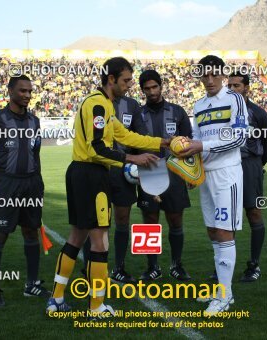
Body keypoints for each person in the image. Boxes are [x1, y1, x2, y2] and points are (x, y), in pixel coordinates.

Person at [46, 57, 170, 317]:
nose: (129, 86)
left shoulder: (103, 105)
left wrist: (162, 142)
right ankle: (96, 306)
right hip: (91, 175)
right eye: (125, 80)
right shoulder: (98, 105)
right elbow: (97, 148)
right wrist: (132, 157)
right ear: (111, 79)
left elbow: (125, 136)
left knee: (76, 237)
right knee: (100, 242)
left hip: (81, 174)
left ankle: (56, 299)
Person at [178, 55, 247, 314]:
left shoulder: (234, 99)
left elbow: (239, 138)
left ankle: (226, 296)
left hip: (227, 174)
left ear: (223, 75)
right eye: (203, 75)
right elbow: (197, 137)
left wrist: (201, 146)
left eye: (213, 75)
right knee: (212, 231)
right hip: (205, 175)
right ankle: (221, 290)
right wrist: (192, 170)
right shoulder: (198, 105)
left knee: (224, 232)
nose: (208, 80)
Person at [0, 74, 49, 307]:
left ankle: (32, 284)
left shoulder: (35, 121)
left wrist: (38, 184)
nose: (27, 95)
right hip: (6, 184)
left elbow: (35, 153)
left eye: (30, 91)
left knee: (31, 232)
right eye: (22, 91)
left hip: (31, 184)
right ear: (10, 91)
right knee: (0, 234)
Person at [81, 94, 147, 284]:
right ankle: (89, 269)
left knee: (122, 219)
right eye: (124, 80)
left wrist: (140, 165)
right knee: (94, 221)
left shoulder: (131, 105)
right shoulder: (94, 102)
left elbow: (139, 136)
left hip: (123, 169)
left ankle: (119, 268)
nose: (127, 85)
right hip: (98, 167)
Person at [136, 69, 193, 281]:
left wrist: (190, 173)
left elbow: (189, 144)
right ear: (142, 90)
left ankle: (177, 265)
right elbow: (132, 146)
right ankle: (152, 267)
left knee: (175, 220)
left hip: (174, 173)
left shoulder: (178, 112)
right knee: (149, 222)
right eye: (147, 88)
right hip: (148, 172)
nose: (151, 92)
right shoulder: (138, 114)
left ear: (161, 86)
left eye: (154, 87)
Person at [227, 71, 267, 282]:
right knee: (226, 217)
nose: (233, 89)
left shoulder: (258, 113)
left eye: (237, 85)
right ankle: (224, 264)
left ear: (247, 88)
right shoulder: (224, 112)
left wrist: (257, 165)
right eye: (230, 85)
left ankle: (254, 265)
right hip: (226, 166)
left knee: (253, 213)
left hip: (250, 165)